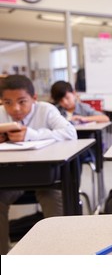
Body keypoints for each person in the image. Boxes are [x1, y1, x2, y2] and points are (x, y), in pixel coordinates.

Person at [0, 74, 77, 254]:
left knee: (53, 196)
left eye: (22, 101)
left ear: (34, 99)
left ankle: (60, 253)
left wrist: (31, 134)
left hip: (45, 177)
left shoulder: (46, 110)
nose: (15, 108)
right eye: (7, 102)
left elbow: (70, 133)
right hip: (9, 178)